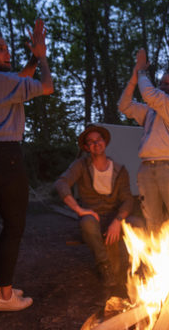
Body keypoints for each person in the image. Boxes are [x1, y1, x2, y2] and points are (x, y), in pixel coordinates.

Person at [0, 19, 54, 312]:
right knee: (15, 227)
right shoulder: (1, 82)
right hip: (6, 160)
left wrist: (32, 58)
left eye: (6, 48)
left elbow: (21, 79)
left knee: (9, 226)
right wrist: (42, 57)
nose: (7, 53)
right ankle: (4, 296)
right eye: (0, 49)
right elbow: (46, 86)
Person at [54, 124, 143, 292]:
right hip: (93, 216)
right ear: (87, 147)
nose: (96, 144)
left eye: (99, 140)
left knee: (137, 223)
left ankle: (136, 265)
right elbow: (61, 183)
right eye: (91, 142)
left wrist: (117, 220)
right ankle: (104, 266)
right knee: (87, 223)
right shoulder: (80, 165)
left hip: (114, 216)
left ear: (105, 142)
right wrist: (79, 210)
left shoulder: (119, 169)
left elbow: (127, 200)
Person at [117, 48, 169, 231]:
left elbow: (151, 95)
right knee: (152, 221)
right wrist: (135, 78)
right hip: (146, 168)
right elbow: (124, 106)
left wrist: (142, 70)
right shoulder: (151, 111)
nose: (162, 86)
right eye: (160, 83)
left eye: (167, 83)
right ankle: (157, 259)